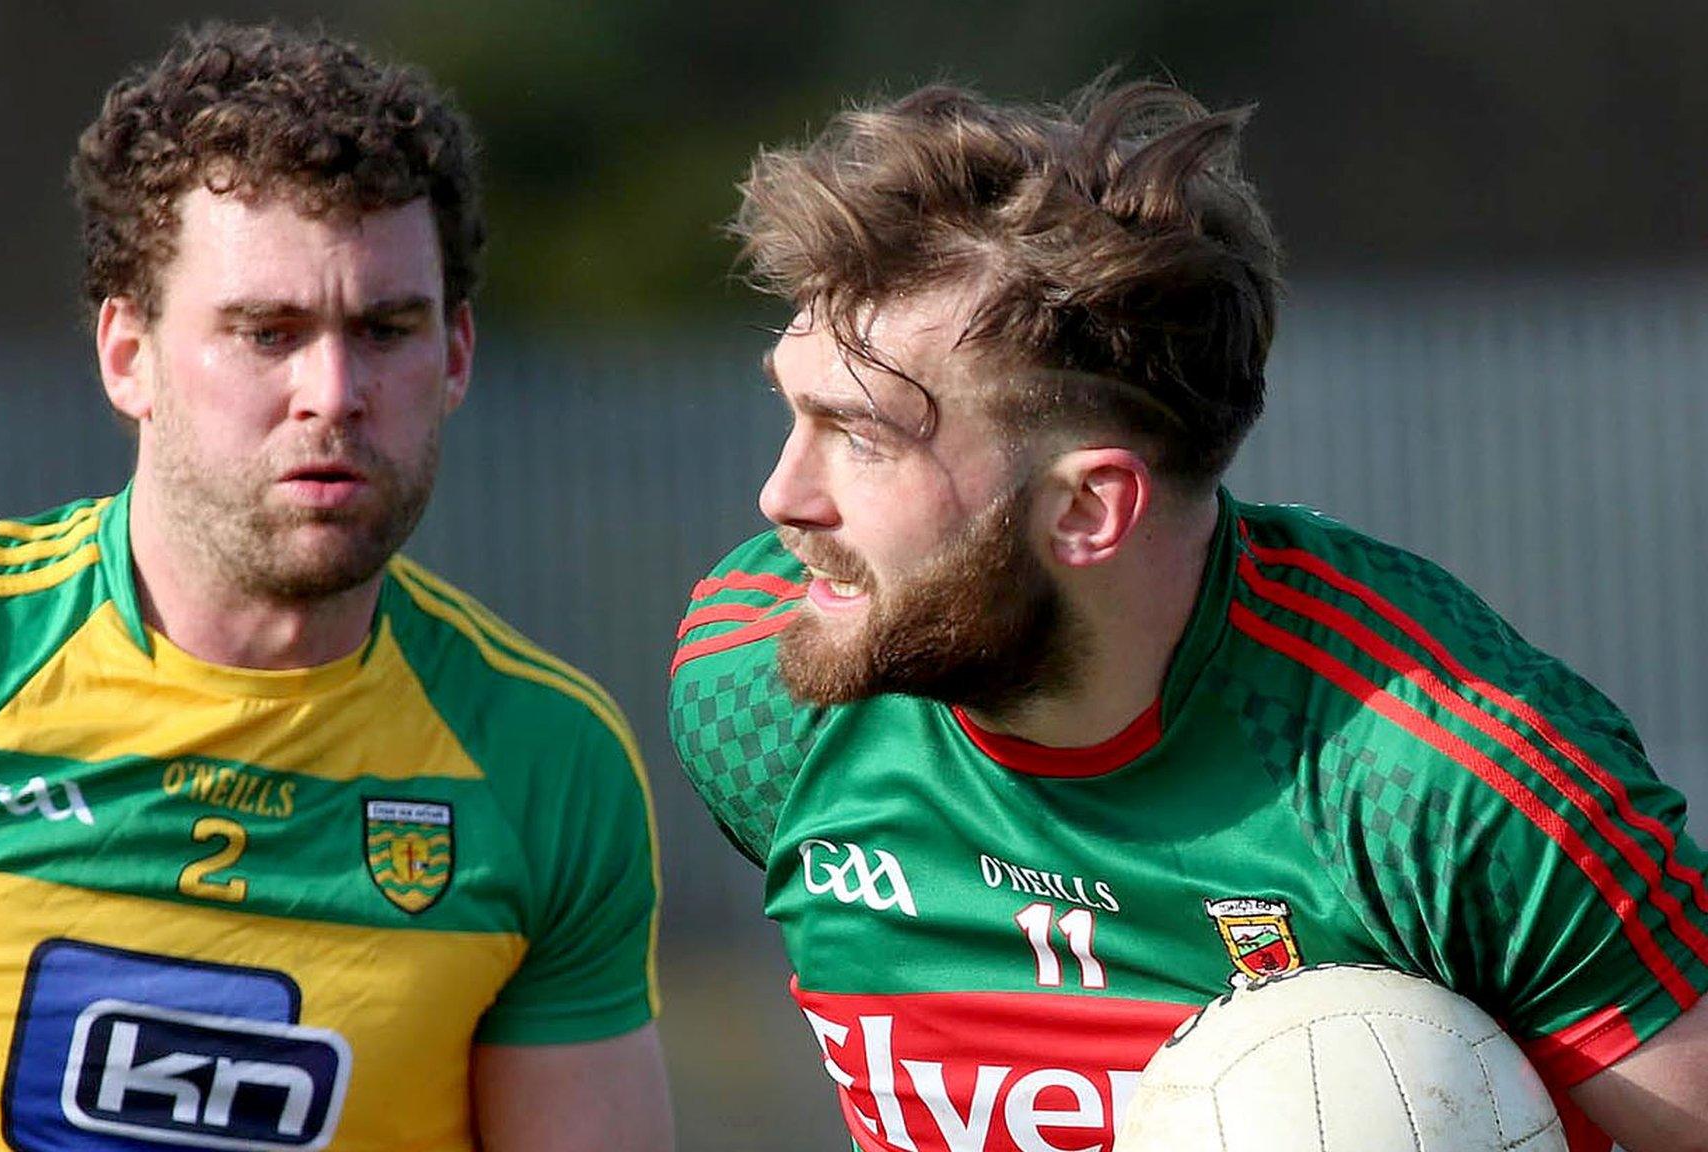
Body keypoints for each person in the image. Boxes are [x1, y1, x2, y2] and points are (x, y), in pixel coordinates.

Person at [0, 24, 670, 1152]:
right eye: (266, 332)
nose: (330, 392)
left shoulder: (544, 763)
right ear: (125, 354)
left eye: (384, 330)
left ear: (457, 355)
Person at [669, 79, 1708, 1152]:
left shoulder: (1441, 792)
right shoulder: (758, 684)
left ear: (1086, 509)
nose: (782, 497)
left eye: (862, 436)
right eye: (793, 412)